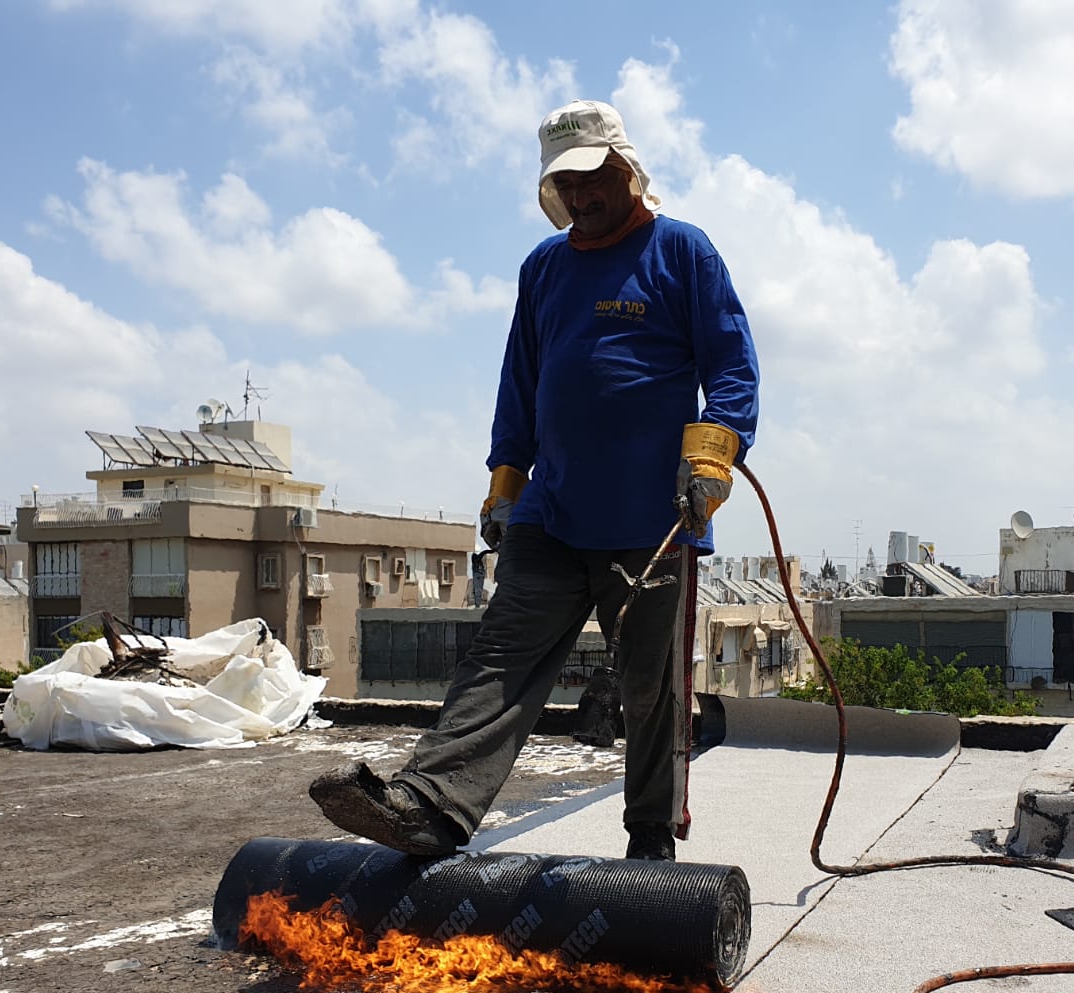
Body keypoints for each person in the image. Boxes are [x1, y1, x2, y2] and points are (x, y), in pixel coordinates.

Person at [309, 99, 758, 861]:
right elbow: (520, 384)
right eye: (566, 185)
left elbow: (733, 369)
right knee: (500, 659)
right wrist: (504, 488)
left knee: (648, 686)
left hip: (652, 518)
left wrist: (712, 460)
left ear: (625, 169)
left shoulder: (682, 251)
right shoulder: (544, 267)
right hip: (551, 512)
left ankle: (651, 834)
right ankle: (431, 806)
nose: (580, 197)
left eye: (592, 179)